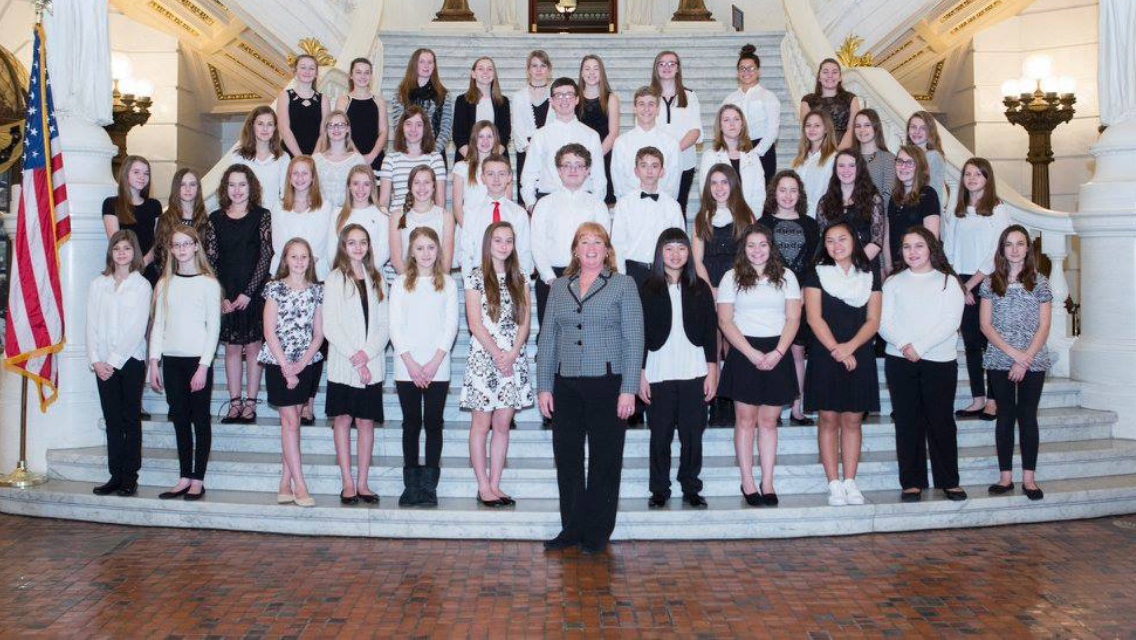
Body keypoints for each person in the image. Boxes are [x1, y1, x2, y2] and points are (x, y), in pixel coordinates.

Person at [539, 222, 644, 554]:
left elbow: (634, 339)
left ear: (608, 249)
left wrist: (629, 388)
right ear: (574, 249)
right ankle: (571, 527)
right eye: (584, 241)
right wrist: (544, 386)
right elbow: (547, 339)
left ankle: (597, 531)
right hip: (565, 383)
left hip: (608, 383)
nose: (591, 246)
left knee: (605, 459)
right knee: (567, 457)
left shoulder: (624, 285)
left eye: (598, 241)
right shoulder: (558, 287)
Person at [716, 224, 802, 506]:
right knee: (745, 421)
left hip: (778, 349)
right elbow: (725, 321)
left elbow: (793, 319)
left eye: (762, 244)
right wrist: (751, 353)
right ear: (744, 249)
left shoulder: (787, 276)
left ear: (771, 247)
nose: (757, 250)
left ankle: (767, 481)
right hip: (744, 351)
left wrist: (778, 352)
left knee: (768, 422)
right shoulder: (732, 277)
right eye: (751, 245)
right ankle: (748, 481)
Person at [879, 226, 967, 502]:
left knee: (940, 421)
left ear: (931, 248)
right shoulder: (893, 282)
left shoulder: (948, 282)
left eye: (918, 246)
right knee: (907, 421)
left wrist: (919, 347)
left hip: (938, 360)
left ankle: (948, 480)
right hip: (899, 359)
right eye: (906, 246)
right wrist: (905, 345)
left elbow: (951, 321)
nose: (912, 252)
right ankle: (912, 481)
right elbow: (883, 321)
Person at [803, 222, 882, 506]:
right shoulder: (816, 274)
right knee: (828, 418)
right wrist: (838, 349)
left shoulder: (869, 275)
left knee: (852, 419)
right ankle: (833, 483)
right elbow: (814, 318)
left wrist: (850, 347)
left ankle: (850, 480)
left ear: (854, 241)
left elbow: (873, 320)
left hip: (859, 352)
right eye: (830, 241)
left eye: (842, 239)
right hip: (826, 352)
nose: (836, 245)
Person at [639, 228, 717, 509]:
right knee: (659, 434)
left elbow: (711, 332)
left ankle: (691, 486)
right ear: (661, 252)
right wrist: (641, 373)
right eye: (669, 248)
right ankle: (659, 489)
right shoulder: (647, 288)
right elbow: (640, 334)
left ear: (689, 253)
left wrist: (713, 370)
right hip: (658, 370)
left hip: (693, 370)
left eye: (681, 248)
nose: (675, 254)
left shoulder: (700, 288)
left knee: (692, 435)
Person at [461, 222, 534, 508]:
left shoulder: (521, 277)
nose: (504, 246)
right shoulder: (475, 277)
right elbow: (475, 323)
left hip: (512, 359)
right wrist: (497, 354)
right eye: (498, 240)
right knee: (481, 423)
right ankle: (482, 486)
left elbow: (525, 320)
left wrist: (513, 352)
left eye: (509, 241)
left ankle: (495, 483)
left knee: (502, 423)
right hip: (485, 358)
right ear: (488, 244)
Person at [149, 227, 222, 501]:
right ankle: (183, 476)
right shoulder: (164, 283)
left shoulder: (208, 283)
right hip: (172, 359)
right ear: (171, 250)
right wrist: (154, 362)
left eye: (186, 244)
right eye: (176, 245)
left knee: (200, 419)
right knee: (179, 418)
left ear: (195, 247)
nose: (181, 249)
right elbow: (159, 325)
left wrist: (204, 365)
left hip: (197, 361)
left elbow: (213, 329)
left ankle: (198, 479)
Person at [980, 225, 1052, 501]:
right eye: (1008, 244)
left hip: (1033, 360)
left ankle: (1029, 479)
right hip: (1000, 359)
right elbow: (985, 326)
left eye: (1020, 244)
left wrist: (1025, 358)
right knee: (1006, 417)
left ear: (1028, 248)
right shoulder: (990, 282)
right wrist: (1013, 354)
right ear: (1002, 249)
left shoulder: (1040, 281)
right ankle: (1005, 477)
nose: (1014, 249)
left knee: (1027, 417)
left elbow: (1044, 326)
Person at [390, 227, 459, 506]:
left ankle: (429, 487)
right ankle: (411, 486)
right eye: (420, 248)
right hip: (406, 365)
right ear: (411, 252)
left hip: (437, 366)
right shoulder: (399, 283)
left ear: (438, 250)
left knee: (433, 423)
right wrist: (411, 362)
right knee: (411, 424)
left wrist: (432, 363)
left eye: (431, 247)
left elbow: (450, 326)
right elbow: (396, 325)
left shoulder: (448, 283)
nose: (426, 253)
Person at [323, 224, 389, 505]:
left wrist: (367, 354)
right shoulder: (334, 279)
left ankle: (362, 482)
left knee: (365, 422)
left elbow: (385, 325)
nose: (358, 247)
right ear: (343, 246)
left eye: (363, 242)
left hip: (371, 363)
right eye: (352, 242)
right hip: (343, 363)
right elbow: (331, 325)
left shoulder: (378, 278)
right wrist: (354, 356)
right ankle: (347, 482)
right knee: (343, 419)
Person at [203, 164, 272, 426]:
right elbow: (211, 261)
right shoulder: (215, 219)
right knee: (232, 349)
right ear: (225, 188)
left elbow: (266, 256)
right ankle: (234, 403)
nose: (237, 190)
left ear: (250, 186)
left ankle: (250, 403)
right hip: (227, 293)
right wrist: (222, 295)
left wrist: (248, 293)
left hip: (253, 291)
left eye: (242, 184)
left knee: (254, 347)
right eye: (232, 184)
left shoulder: (262, 215)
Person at [258, 238, 323, 509]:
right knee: (289, 421)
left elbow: (319, 334)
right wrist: (286, 366)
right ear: (285, 259)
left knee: (294, 420)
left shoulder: (316, 291)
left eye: (303, 256)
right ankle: (300, 484)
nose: (298, 261)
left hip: (305, 362)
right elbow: (269, 330)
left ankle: (285, 481)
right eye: (293, 256)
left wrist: (301, 363)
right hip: (278, 362)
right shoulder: (274, 288)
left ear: (310, 260)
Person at [945, 157, 1011, 420]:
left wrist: (971, 284)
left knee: (989, 342)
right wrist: (959, 284)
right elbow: (948, 247)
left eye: (978, 174)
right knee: (971, 343)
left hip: (987, 280)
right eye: (968, 174)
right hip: (961, 280)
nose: (971, 179)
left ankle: (994, 400)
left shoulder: (997, 209)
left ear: (987, 179)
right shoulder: (958, 209)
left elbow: (999, 250)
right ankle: (977, 398)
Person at [87, 230, 152, 497]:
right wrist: (96, 360)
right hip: (102, 364)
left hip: (130, 361)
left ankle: (129, 476)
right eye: (117, 248)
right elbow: (90, 324)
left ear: (134, 252)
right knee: (112, 420)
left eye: (126, 248)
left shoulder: (141, 285)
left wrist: (112, 362)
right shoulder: (97, 284)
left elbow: (136, 329)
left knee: (129, 419)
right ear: (111, 253)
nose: (122, 253)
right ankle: (115, 475)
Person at [693, 164, 757, 427]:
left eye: (724, 182)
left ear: (733, 184)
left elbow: (751, 255)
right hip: (710, 288)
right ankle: (716, 400)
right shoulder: (701, 217)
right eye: (714, 183)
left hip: (737, 287)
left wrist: (730, 288)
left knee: (733, 345)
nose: (719, 188)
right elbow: (697, 260)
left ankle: (733, 400)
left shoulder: (746, 215)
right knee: (714, 345)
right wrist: (710, 289)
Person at [757, 170, 820, 425]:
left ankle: (796, 407)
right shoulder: (764, 223)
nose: (787, 195)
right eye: (782, 190)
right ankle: (770, 406)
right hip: (770, 297)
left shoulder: (810, 224)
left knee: (796, 351)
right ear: (774, 193)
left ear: (800, 194)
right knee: (771, 350)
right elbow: (758, 261)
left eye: (793, 190)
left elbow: (814, 262)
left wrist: (805, 292)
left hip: (802, 297)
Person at [532, 143, 610, 325]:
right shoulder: (544, 204)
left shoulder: (597, 205)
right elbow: (536, 243)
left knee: (586, 333)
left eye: (579, 165)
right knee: (550, 335)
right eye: (567, 165)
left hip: (588, 276)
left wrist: (593, 277)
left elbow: (603, 244)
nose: (573, 170)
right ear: (559, 170)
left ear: (588, 170)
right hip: (552, 277)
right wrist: (549, 278)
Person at [520, 77, 606, 206]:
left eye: (569, 95)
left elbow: (599, 177)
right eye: (559, 95)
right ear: (552, 101)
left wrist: (596, 205)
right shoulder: (540, 135)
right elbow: (529, 174)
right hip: (548, 200)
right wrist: (531, 204)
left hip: (583, 200)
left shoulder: (591, 135)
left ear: (577, 99)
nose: (564, 99)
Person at [611, 147, 684, 285]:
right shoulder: (624, 204)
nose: (649, 171)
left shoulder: (673, 206)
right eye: (644, 166)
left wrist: (675, 277)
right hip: (632, 272)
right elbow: (617, 245)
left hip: (663, 272)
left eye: (654, 166)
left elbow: (679, 244)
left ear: (662, 171)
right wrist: (621, 278)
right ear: (636, 171)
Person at [461, 153, 532, 279]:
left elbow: (524, 251)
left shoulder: (519, 213)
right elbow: (466, 252)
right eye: (490, 174)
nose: (496, 179)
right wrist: (469, 283)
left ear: (509, 177)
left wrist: (522, 282)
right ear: (482, 177)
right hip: (480, 275)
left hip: (511, 277)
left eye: (501, 174)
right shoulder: (472, 213)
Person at [204, 106, 289, 210]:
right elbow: (230, 190)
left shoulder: (283, 158)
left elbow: (286, 194)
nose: (265, 129)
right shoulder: (238, 157)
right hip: (244, 217)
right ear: (252, 126)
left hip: (272, 218)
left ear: (275, 128)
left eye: (270, 124)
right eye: (260, 124)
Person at [650, 51, 703, 214]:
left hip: (684, 161)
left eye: (671, 63)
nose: (667, 67)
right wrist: (660, 154)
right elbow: (644, 130)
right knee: (656, 207)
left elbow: (695, 131)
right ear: (656, 68)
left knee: (680, 207)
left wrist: (674, 150)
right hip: (656, 163)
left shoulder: (689, 95)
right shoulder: (648, 96)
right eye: (662, 64)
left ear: (678, 69)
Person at [816, 150, 886, 270]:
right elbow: (824, 240)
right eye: (841, 165)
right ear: (835, 169)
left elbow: (877, 242)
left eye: (851, 165)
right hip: (835, 269)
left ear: (859, 169)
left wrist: (852, 266)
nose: (846, 170)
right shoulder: (824, 202)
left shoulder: (873, 199)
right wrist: (840, 268)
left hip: (865, 265)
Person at [723, 44, 780, 185]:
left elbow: (773, 131)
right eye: (742, 68)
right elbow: (722, 127)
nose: (746, 71)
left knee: (763, 194)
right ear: (737, 72)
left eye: (751, 68)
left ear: (758, 71)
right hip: (735, 148)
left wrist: (756, 152)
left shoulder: (768, 96)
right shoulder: (729, 99)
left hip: (763, 150)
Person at [611, 86, 681, 200]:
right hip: (630, 207)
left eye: (651, 104)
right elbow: (618, 181)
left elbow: (673, 183)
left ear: (658, 109)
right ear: (634, 108)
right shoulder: (621, 143)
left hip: (662, 207)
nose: (646, 109)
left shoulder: (671, 143)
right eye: (641, 104)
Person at [271, 155, 333, 279]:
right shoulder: (278, 206)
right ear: (289, 177)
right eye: (295, 173)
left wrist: (302, 273)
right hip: (284, 272)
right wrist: (292, 275)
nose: (300, 178)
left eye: (305, 173)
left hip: (315, 272)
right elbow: (278, 244)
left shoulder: (325, 206)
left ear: (312, 177)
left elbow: (320, 244)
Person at [102, 154, 161, 283]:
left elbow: (157, 242)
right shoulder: (111, 204)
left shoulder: (154, 205)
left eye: (146, 173)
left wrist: (143, 263)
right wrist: (132, 268)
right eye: (136, 172)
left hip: (148, 270)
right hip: (123, 270)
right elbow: (115, 242)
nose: (142, 177)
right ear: (125, 174)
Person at [389, 164, 455, 275]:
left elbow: (446, 261)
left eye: (427, 182)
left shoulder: (446, 216)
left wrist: (434, 285)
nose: (422, 187)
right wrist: (413, 285)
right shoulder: (397, 216)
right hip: (408, 283)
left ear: (434, 186)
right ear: (410, 186)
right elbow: (396, 259)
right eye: (417, 182)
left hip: (437, 284)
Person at [379, 106, 447, 212]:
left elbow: (440, 200)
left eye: (418, 125)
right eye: (408, 124)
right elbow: (384, 202)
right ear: (402, 127)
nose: (413, 129)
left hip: (427, 221)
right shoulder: (390, 159)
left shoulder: (435, 159)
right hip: (398, 219)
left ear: (425, 128)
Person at [699, 104, 765, 212]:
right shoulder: (710, 156)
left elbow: (759, 193)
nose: (732, 124)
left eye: (736, 119)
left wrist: (753, 219)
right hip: (719, 219)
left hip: (748, 218)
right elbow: (705, 192)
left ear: (742, 124)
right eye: (726, 120)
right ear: (720, 126)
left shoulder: (752, 156)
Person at [390, 48, 453, 159]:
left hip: (434, 156)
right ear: (414, 64)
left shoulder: (443, 95)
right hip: (407, 154)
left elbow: (445, 129)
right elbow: (398, 126)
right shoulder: (401, 93)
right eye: (422, 61)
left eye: (430, 62)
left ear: (434, 66)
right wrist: (412, 153)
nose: (426, 65)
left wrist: (432, 153)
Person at [886, 145, 941, 271]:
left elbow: (931, 239)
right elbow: (888, 236)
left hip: (920, 268)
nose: (903, 166)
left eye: (910, 162)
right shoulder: (894, 198)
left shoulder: (928, 194)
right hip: (897, 267)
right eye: (900, 161)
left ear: (919, 167)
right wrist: (888, 266)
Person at [330, 164, 392, 275]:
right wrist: (346, 274)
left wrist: (363, 273)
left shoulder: (381, 213)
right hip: (344, 276)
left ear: (372, 186)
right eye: (355, 183)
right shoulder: (337, 214)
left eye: (366, 184)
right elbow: (331, 252)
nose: (360, 189)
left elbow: (384, 251)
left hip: (373, 276)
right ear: (349, 185)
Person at [511, 50, 553, 207]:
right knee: (527, 198)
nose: (538, 70)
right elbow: (516, 126)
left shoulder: (556, 94)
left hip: (550, 152)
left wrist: (546, 149)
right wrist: (531, 149)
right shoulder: (519, 96)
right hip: (526, 152)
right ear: (528, 69)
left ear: (548, 69)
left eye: (543, 65)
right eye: (534, 66)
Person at [577, 55, 620, 206]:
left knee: (603, 203)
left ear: (602, 72)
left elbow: (613, 132)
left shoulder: (611, 98)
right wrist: (581, 160)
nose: (591, 72)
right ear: (581, 73)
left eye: (596, 69)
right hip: (578, 160)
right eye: (587, 69)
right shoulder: (575, 98)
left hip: (603, 156)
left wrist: (595, 157)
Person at [452, 56, 511, 164]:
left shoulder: (503, 102)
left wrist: (491, 161)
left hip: (496, 161)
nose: (485, 72)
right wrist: (473, 161)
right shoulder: (462, 101)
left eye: (489, 69)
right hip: (467, 160)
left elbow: (505, 134)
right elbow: (458, 135)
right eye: (480, 69)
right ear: (473, 74)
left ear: (494, 75)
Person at [335, 57, 389, 175]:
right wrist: (358, 157)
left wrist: (372, 156)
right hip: (350, 157)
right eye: (358, 72)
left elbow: (384, 131)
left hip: (375, 157)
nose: (363, 76)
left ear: (370, 76)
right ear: (351, 75)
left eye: (367, 73)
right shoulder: (343, 100)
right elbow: (342, 131)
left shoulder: (379, 101)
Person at [155, 168, 210, 276]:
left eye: (192, 184)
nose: (187, 189)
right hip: (172, 279)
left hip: (200, 279)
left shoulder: (207, 221)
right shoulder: (165, 220)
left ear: (198, 188)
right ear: (176, 188)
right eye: (182, 184)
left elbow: (211, 258)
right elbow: (159, 255)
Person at [799, 58, 861, 149]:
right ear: (819, 77)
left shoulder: (851, 99)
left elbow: (852, 129)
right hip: (817, 153)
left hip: (846, 153)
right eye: (825, 72)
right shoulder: (807, 101)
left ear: (840, 77)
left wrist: (838, 154)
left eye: (834, 72)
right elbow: (808, 132)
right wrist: (822, 156)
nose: (830, 76)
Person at [276, 53, 330, 157]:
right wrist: (300, 157)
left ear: (316, 73)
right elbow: (284, 129)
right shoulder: (285, 96)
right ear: (295, 71)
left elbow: (324, 132)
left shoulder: (323, 99)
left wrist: (313, 158)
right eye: (303, 67)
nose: (307, 71)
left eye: (311, 68)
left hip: (316, 155)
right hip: (289, 155)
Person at [451, 120, 502, 227]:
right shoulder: (461, 167)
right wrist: (468, 231)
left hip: (494, 228)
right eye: (481, 136)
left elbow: (506, 203)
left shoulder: (502, 167)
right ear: (474, 140)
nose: (485, 141)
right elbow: (457, 206)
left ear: (495, 140)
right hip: (468, 228)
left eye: (489, 136)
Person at [313, 110, 366, 211]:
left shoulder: (357, 160)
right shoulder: (316, 160)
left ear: (347, 129)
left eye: (341, 125)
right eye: (331, 125)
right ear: (326, 129)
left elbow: (364, 192)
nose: (336, 128)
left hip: (349, 215)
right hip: (321, 215)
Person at [791, 110, 838, 219]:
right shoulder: (800, 158)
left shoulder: (833, 158)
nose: (811, 129)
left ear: (826, 129)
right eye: (808, 125)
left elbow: (825, 191)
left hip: (820, 216)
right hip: (798, 214)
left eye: (817, 126)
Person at [851, 109, 896, 204]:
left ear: (876, 127)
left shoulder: (888, 158)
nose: (862, 130)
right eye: (858, 126)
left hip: (876, 215)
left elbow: (888, 195)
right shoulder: (848, 157)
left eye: (867, 125)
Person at [906, 111, 948, 209]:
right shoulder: (906, 156)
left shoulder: (934, 156)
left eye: (923, 128)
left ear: (930, 131)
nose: (917, 131)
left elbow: (933, 193)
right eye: (913, 127)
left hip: (927, 214)